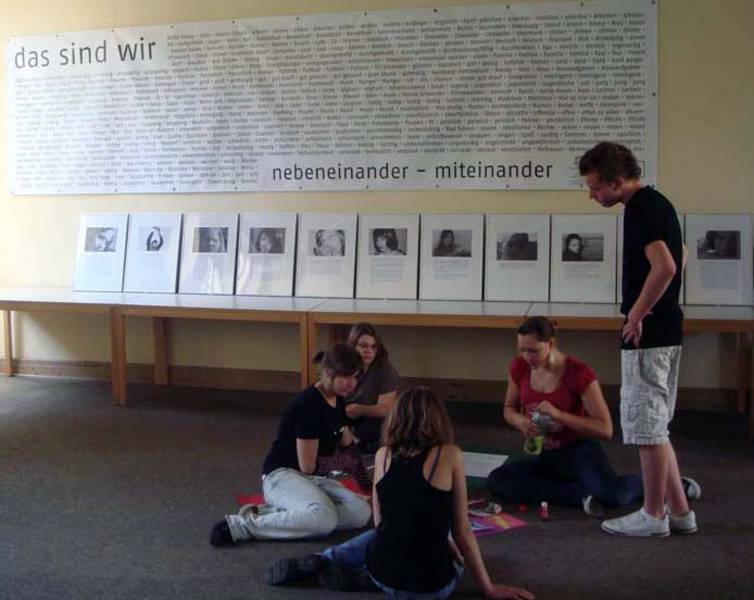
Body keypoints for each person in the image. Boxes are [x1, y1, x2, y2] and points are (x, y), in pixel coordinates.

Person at [266, 386, 534, 600]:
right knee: (455, 558)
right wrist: (489, 588)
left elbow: (381, 525)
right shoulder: (450, 454)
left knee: (388, 533)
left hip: (384, 573)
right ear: (439, 420)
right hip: (433, 589)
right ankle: (360, 575)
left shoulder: (382, 455)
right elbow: (462, 530)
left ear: (396, 418)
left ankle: (327, 561)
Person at [579, 141, 698, 537]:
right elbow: (680, 253)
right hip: (666, 327)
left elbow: (665, 266)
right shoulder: (657, 203)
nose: (592, 195)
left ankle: (653, 514)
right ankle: (679, 511)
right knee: (656, 425)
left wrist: (637, 313)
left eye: (596, 187)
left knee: (647, 428)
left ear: (617, 181)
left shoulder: (641, 208)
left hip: (650, 331)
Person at [487, 316, 699, 518]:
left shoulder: (579, 373)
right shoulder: (519, 367)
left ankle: (673, 484)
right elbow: (508, 409)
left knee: (613, 496)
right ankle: (577, 495)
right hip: (546, 454)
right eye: (522, 350)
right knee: (498, 481)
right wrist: (520, 421)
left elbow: (605, 430)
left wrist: (559, 415)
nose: (527, 357)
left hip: (580, 451)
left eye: (533, 351)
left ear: (551, 344)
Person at [208, 343, 371, 546]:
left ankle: (277, 514)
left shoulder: (338, 401)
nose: (352, 384)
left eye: (355, 377)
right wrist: (343, 463)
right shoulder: (309, 405)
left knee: (360, 512)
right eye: (347, 377)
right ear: (329, 373)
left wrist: (366, 485)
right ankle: (241, 526)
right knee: (324, 519)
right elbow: (308, 466)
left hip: (313, 479)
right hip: (283, 475)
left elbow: (347, 445)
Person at [345, 322, 400, 453]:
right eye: (364, 346)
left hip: (371, 417)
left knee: (374, 427)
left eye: (373, 347)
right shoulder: (343, 365)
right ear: (353, 346)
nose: (369, 350)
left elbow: (387, 409)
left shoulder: (385, 370)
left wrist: (361, 409)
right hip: (345, 414)